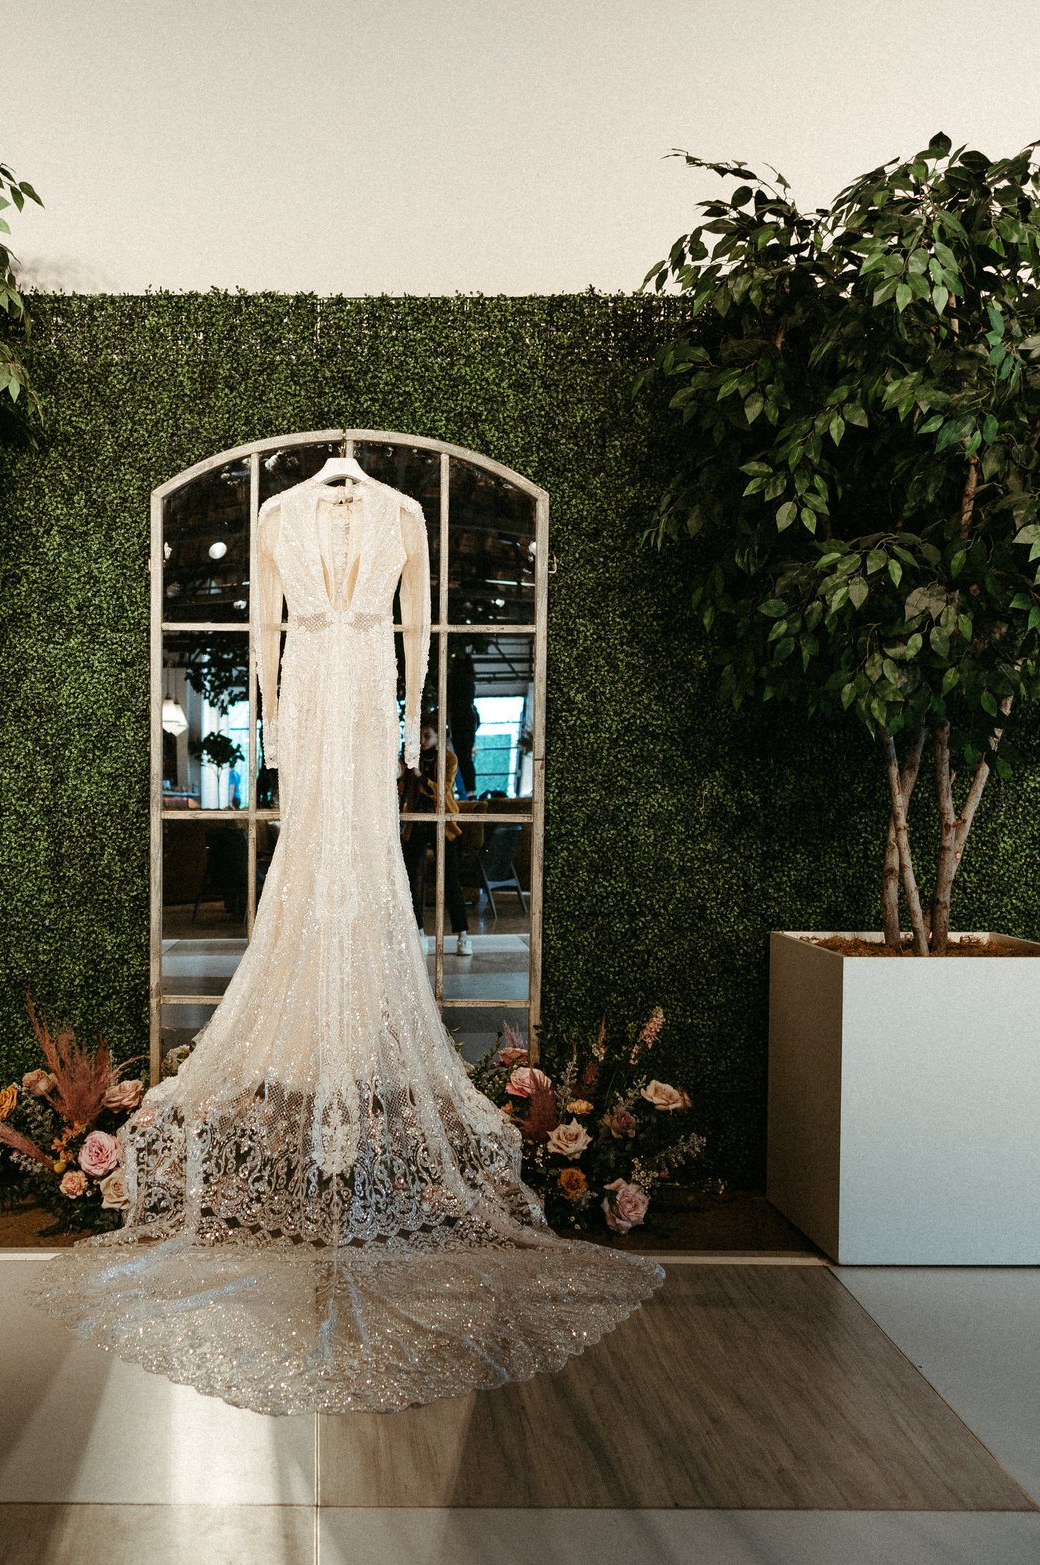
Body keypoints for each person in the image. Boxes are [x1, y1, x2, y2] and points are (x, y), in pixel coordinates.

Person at [33, 463, 659, 1416]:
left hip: (365, 693)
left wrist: (408, 726)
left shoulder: (403, 513)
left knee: (364, 861)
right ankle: (312, 1055)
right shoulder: (278, 514)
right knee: (310, 860)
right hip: (312, 689)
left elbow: (416, 628)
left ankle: (355, 1046)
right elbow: (264, 628)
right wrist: (272, 718)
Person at [402, 720, 471, 955]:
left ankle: (463, 935)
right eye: (420, 736)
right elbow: (403, 788)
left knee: (450, 878)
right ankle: (419, 932)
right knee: (410, 877)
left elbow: (441, 791)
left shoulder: (449, 759)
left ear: (438, 736)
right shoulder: (412, 757)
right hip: (416, 823)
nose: (423, 741)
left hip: (442, 823)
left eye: (427, 736)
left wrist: (419, 775)